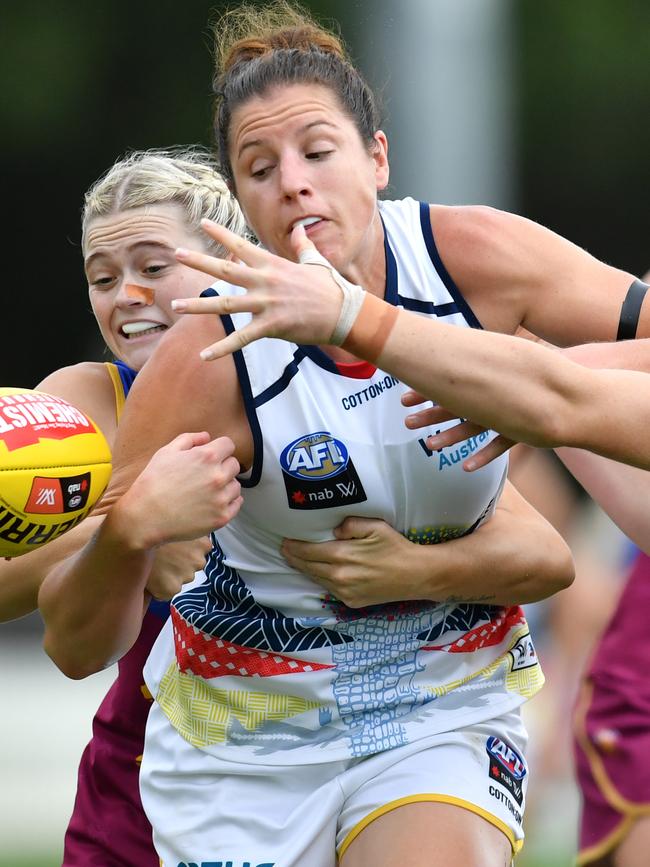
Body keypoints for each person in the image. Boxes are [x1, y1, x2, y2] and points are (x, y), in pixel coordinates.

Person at [36, 1, 642, 863]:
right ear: (240, 201)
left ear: (378, 159)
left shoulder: (470, 259)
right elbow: (72, 641)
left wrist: (525, 384)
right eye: (259, 166)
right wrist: (126, 532)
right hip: (245, 747)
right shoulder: (206, 358)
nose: (293, 181)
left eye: (317, 152)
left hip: (440, 712)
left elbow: (555, 545)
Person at [0, 146, 247, 865]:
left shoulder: (310, 379)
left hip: (319, 770)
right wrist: (130, 527)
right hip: (138, 792)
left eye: (152, 267)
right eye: (102, 278)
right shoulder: (80, 408)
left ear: (228, 259)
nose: (125, 295)